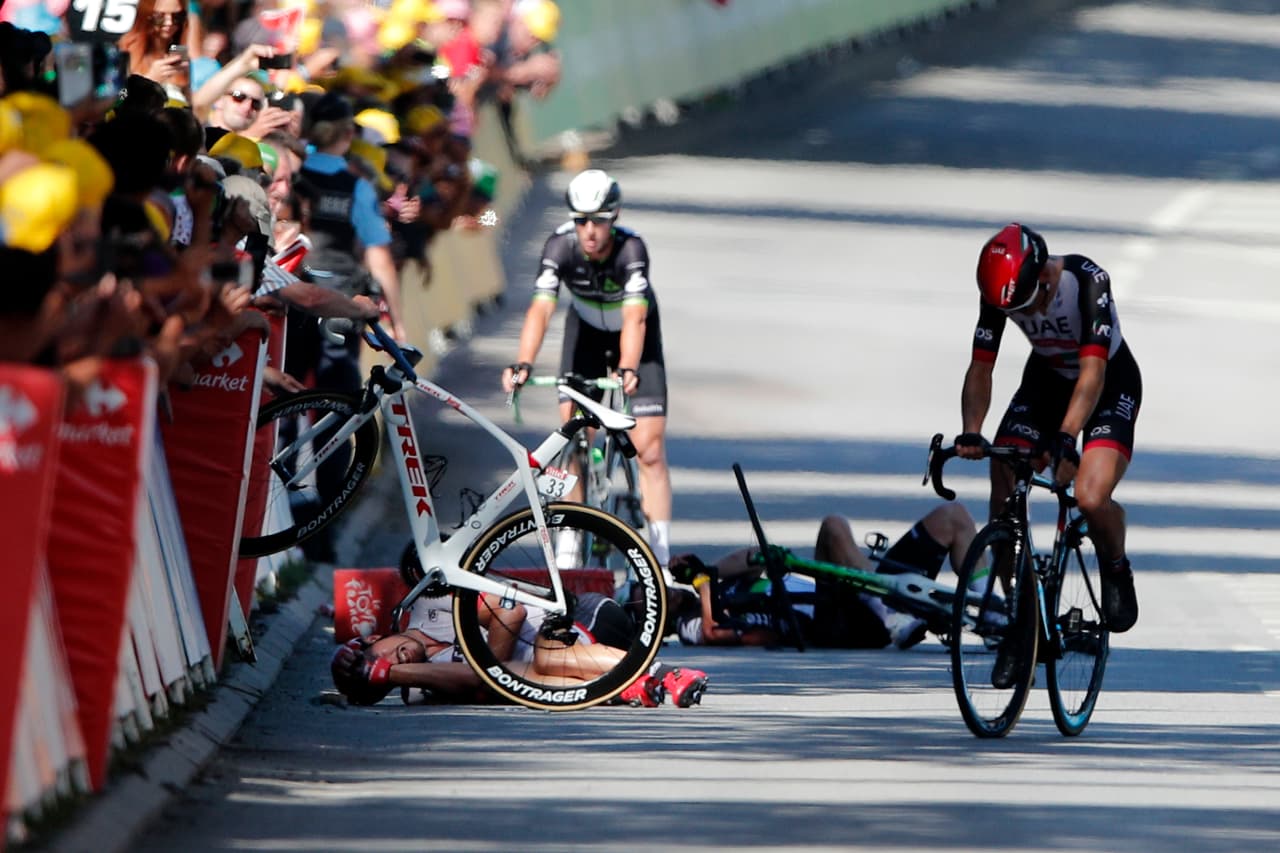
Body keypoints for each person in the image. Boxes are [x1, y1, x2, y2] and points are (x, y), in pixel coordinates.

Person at [959, 223, 1142, 633]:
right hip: (1047, 380)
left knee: (1090, 497)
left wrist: (1066, 436)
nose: (1023, 317)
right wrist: (972, 430)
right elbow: (981, 367)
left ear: (1044, 277)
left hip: (1108, 384)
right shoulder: (1001, 293)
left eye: (1026, 306)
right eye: (1014, 312)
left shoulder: (1088, 282)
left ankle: (1115, 563)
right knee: (1003, 466)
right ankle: (1021, 619)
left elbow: (1092, 374)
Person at [501, 169, 674, 571]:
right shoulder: (559, 247)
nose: (590, 230)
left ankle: (661, 560)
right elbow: (541, 308)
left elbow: (635, 319)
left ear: (614, 218)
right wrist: (523, 362)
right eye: (581, 221)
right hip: (587, 336)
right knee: (573, 438)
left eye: (599, 220)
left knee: (649, 450)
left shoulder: (632, 249)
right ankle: (568, 546)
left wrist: (629, 367)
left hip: (637, 337)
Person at [668, 503, 978, 651]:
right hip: (832, 621)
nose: (663, 592)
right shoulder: (688, 623)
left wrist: (704, 569)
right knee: (833, 526)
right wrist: (702, 583)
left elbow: (751, 559)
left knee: (952, 517)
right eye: (647, 597)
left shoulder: (715, 589)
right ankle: (891, 616)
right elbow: (712, 634)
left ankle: (995, 619)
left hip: (850, 601)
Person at [330, 591, 708, 708]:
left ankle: (661, 672)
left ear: (372, 639)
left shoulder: (430, 605)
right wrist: (391, 676)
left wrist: (496, 668)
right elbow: (485, 684)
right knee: (518, 678)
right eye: (382, 679)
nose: (392, 664)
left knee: (539, 656)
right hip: (567, 667)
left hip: (583, 615)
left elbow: (510, 612)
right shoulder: (430, 682)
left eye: (375, 660)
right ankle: (631, 687)